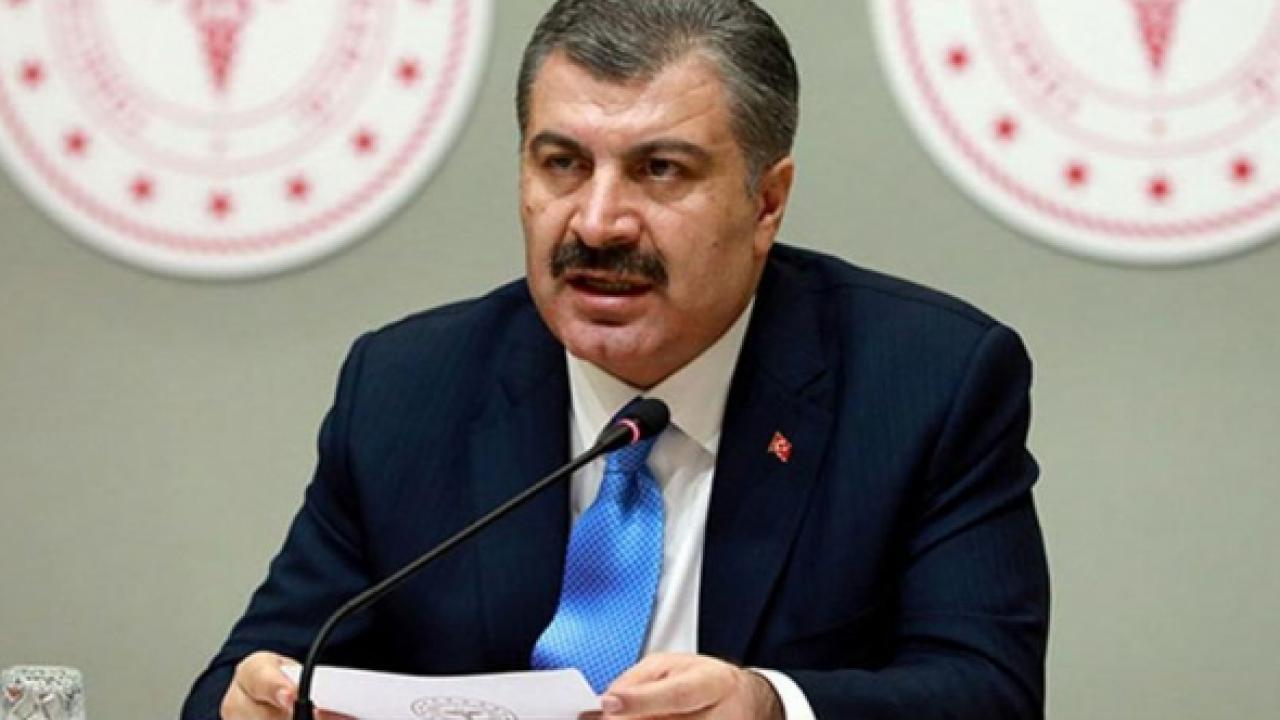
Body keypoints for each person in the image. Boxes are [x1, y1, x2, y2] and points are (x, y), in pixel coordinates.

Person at [183, 1, 1050, 718]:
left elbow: (987, 692)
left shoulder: (926, 384)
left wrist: (770, 707)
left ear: (766, 202)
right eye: (562, 164)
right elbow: (251, 675)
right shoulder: (408, 388)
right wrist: (252, 704)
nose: (597, 223)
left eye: (660, 170)